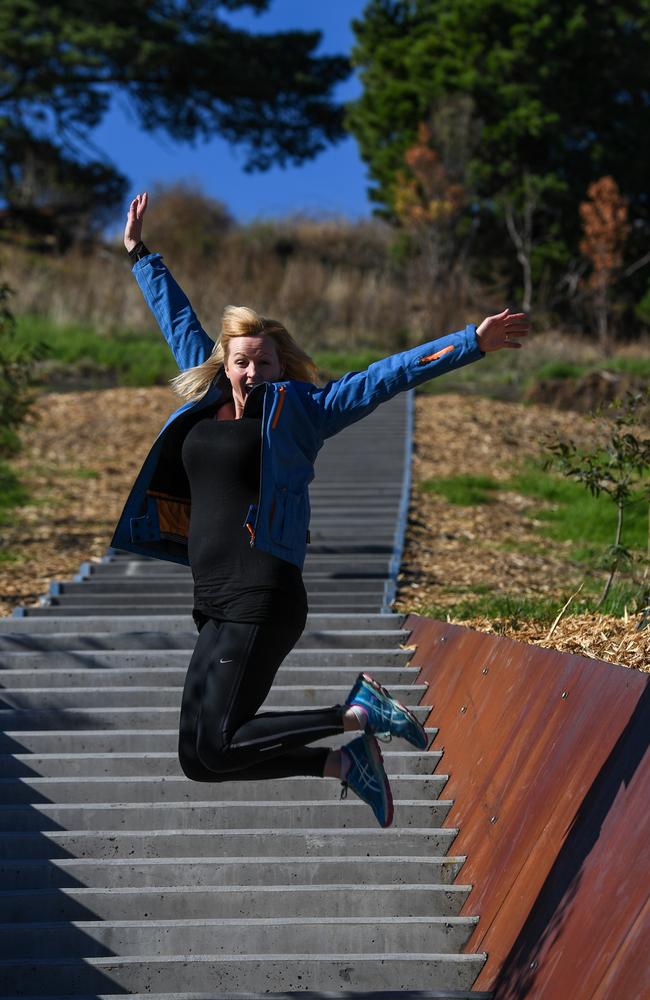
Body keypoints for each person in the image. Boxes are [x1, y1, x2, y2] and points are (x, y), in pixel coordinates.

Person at [114, 191, 528, 829]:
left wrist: (470, 344)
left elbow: (384, 377)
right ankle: (344, 764)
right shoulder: (206, 398)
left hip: (263, 588)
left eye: (265, 362)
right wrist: (140, 254)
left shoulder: (301, 411)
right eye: (240, 361)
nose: (251, 371)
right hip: (214, 601)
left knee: (221, 739)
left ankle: (357, 710)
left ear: (282, 366)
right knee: (200, 757)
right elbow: (178, 320)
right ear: (224, 363)